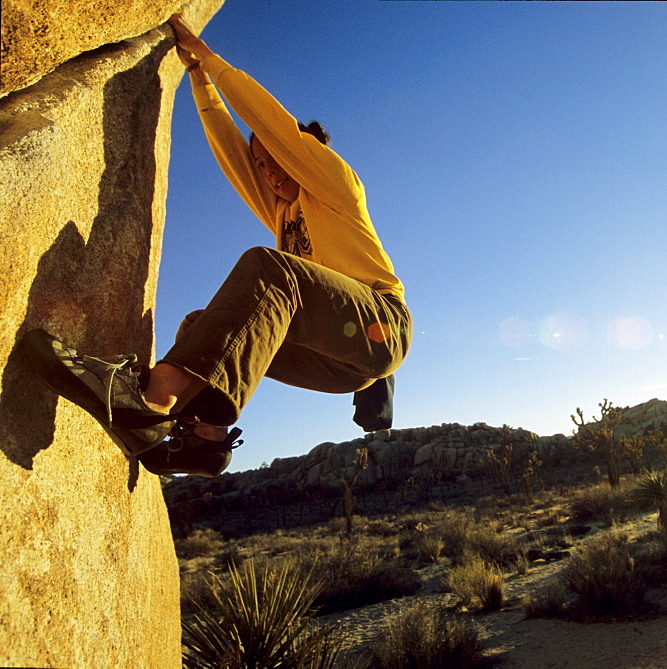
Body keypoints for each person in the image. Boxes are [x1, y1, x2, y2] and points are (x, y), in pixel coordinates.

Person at [22, 14, 411, 478]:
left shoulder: (334, 185)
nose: (267, 173)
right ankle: (203, 443)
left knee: (269, 268)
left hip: (380, 326)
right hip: (334, 363)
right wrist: (198, 79)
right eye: (262, 165)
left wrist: (212, 58)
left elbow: (274, 124)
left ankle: (148, 403)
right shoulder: (282, 212)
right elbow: (231, 152)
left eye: (275, 161)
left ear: (303, 155)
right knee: (199, 327)